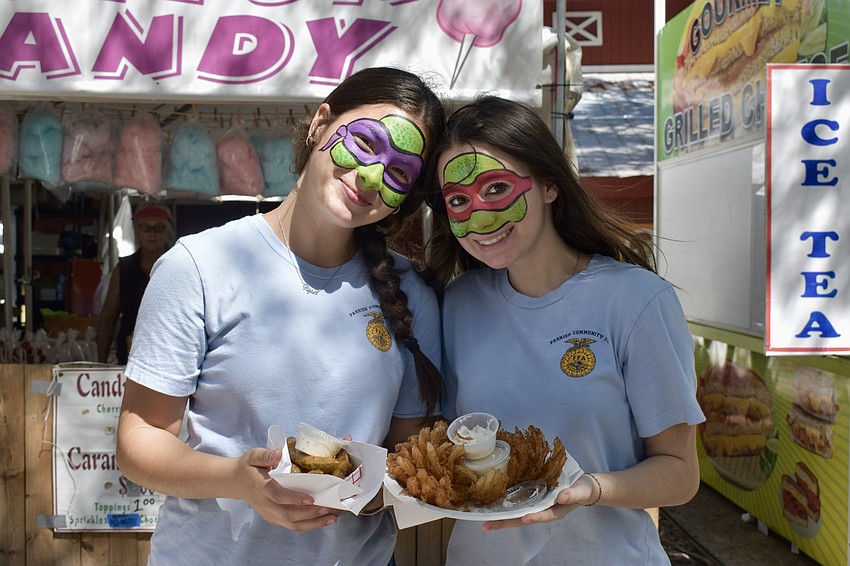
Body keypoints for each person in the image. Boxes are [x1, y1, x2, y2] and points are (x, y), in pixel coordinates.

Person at [115, 67, 445, 565]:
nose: (372, 176)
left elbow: (402, 462)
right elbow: (139, 439)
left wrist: (357, 487)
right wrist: (237, 481)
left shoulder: (412, 296)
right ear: (320, 123)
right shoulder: (199, 265)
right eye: (365, 143)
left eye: (399, 172)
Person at [424, 96, 705, 565]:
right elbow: (447, 442)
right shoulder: (456, 304)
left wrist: (587, 490)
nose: (480, 217)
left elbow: (679, 474)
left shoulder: (637, 300)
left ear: (550, 184)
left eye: (496, 188)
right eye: (458, 200)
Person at [96, 204, 173, 364]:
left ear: (167, 231)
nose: (152, 234)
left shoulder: (179, 265)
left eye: (159, 228)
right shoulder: (124, 268)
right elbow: (108, 318)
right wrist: (101, 365)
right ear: (137, 231)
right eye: (145, 228)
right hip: (130, 358)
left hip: (171, 357)